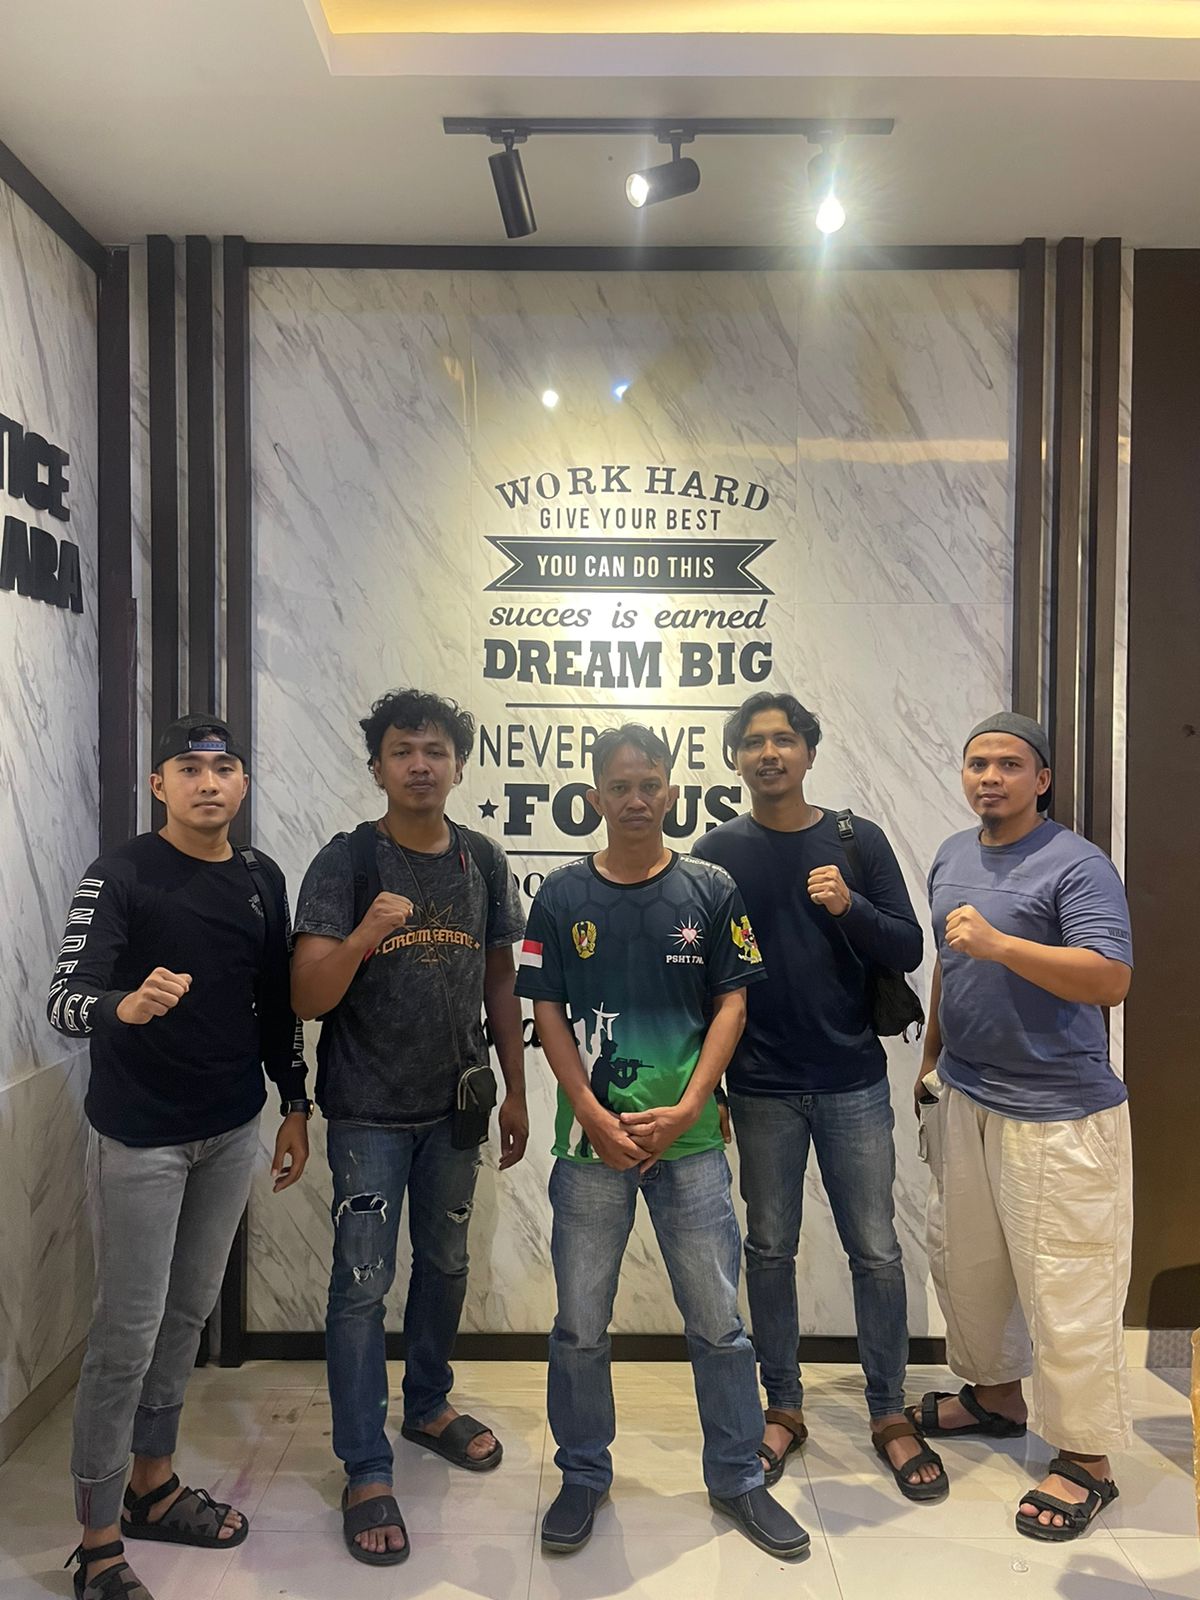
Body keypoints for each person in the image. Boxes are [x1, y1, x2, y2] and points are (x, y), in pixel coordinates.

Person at [517, 723, 811, 1561]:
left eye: (650, 784)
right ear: (595, 797)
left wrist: (688, 1109)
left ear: (672, 793)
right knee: (579, 1326)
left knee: (719, 1325)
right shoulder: (561, 896)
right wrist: (589, 1111)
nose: (636, 799)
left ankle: (738, 1477)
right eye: (620, 786)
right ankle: (582, 1472)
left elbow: (732, 1004)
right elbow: (545, 1011)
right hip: (591, 1148)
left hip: (690, 1147)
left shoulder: (711, 888)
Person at [47, 714, 311, 1600]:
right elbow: (65, 998)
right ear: (159, 784)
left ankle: (152, 1485)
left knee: (185, 1317)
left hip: (231, 1128)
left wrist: (295, 1103)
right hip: (140, 1137)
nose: (208, 782)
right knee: (125, 1332)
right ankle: (96, 1541)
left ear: (242, 785)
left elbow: (276, 1003)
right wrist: (123, 1005)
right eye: (188, 768)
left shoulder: (260, 877)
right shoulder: (119, 874)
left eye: (222, 767)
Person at [290, 689, 527, 1567]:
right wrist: (363, 932)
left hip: (457, 1107)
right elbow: (306, 996)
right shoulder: (348, 860)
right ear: (378, 767)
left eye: (435, 751)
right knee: (361, 1284)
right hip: (367, 1113)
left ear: (459, 766)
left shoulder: (482, 859)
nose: (420, 765)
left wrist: (516, 1089)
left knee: (448, 1263)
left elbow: (501, 980)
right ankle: (364, 1466)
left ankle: (427, 1404)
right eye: (403, 751)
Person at [692, 691, 945, 1501]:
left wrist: (850, 905)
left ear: (808, 751)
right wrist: (709, 1088)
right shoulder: (715, 852)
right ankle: (784, 1406)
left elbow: (908, 946)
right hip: (759, 1085)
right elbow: (700, 978)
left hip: (851, 1081)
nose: (769, 753)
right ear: (736, 757)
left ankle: (888, 1411)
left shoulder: (854, 839)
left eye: (783, 739)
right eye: (753, 741)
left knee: (875, 1250)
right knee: (769, 1249)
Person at [910, 711, 1134, 1542]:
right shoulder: (951, 854)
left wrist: (1002, 944)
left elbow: (1109, 978)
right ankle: (997, 1398)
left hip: (1059, 1113)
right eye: (978, 763)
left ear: (1041, 779)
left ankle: (1087, 1458)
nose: (990, 777)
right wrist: (931, 1059)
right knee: (971, 1271)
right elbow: (950, 960)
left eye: (1009, 764)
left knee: (1068, 1287)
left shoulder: (1078, 864)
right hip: (968, 1094)